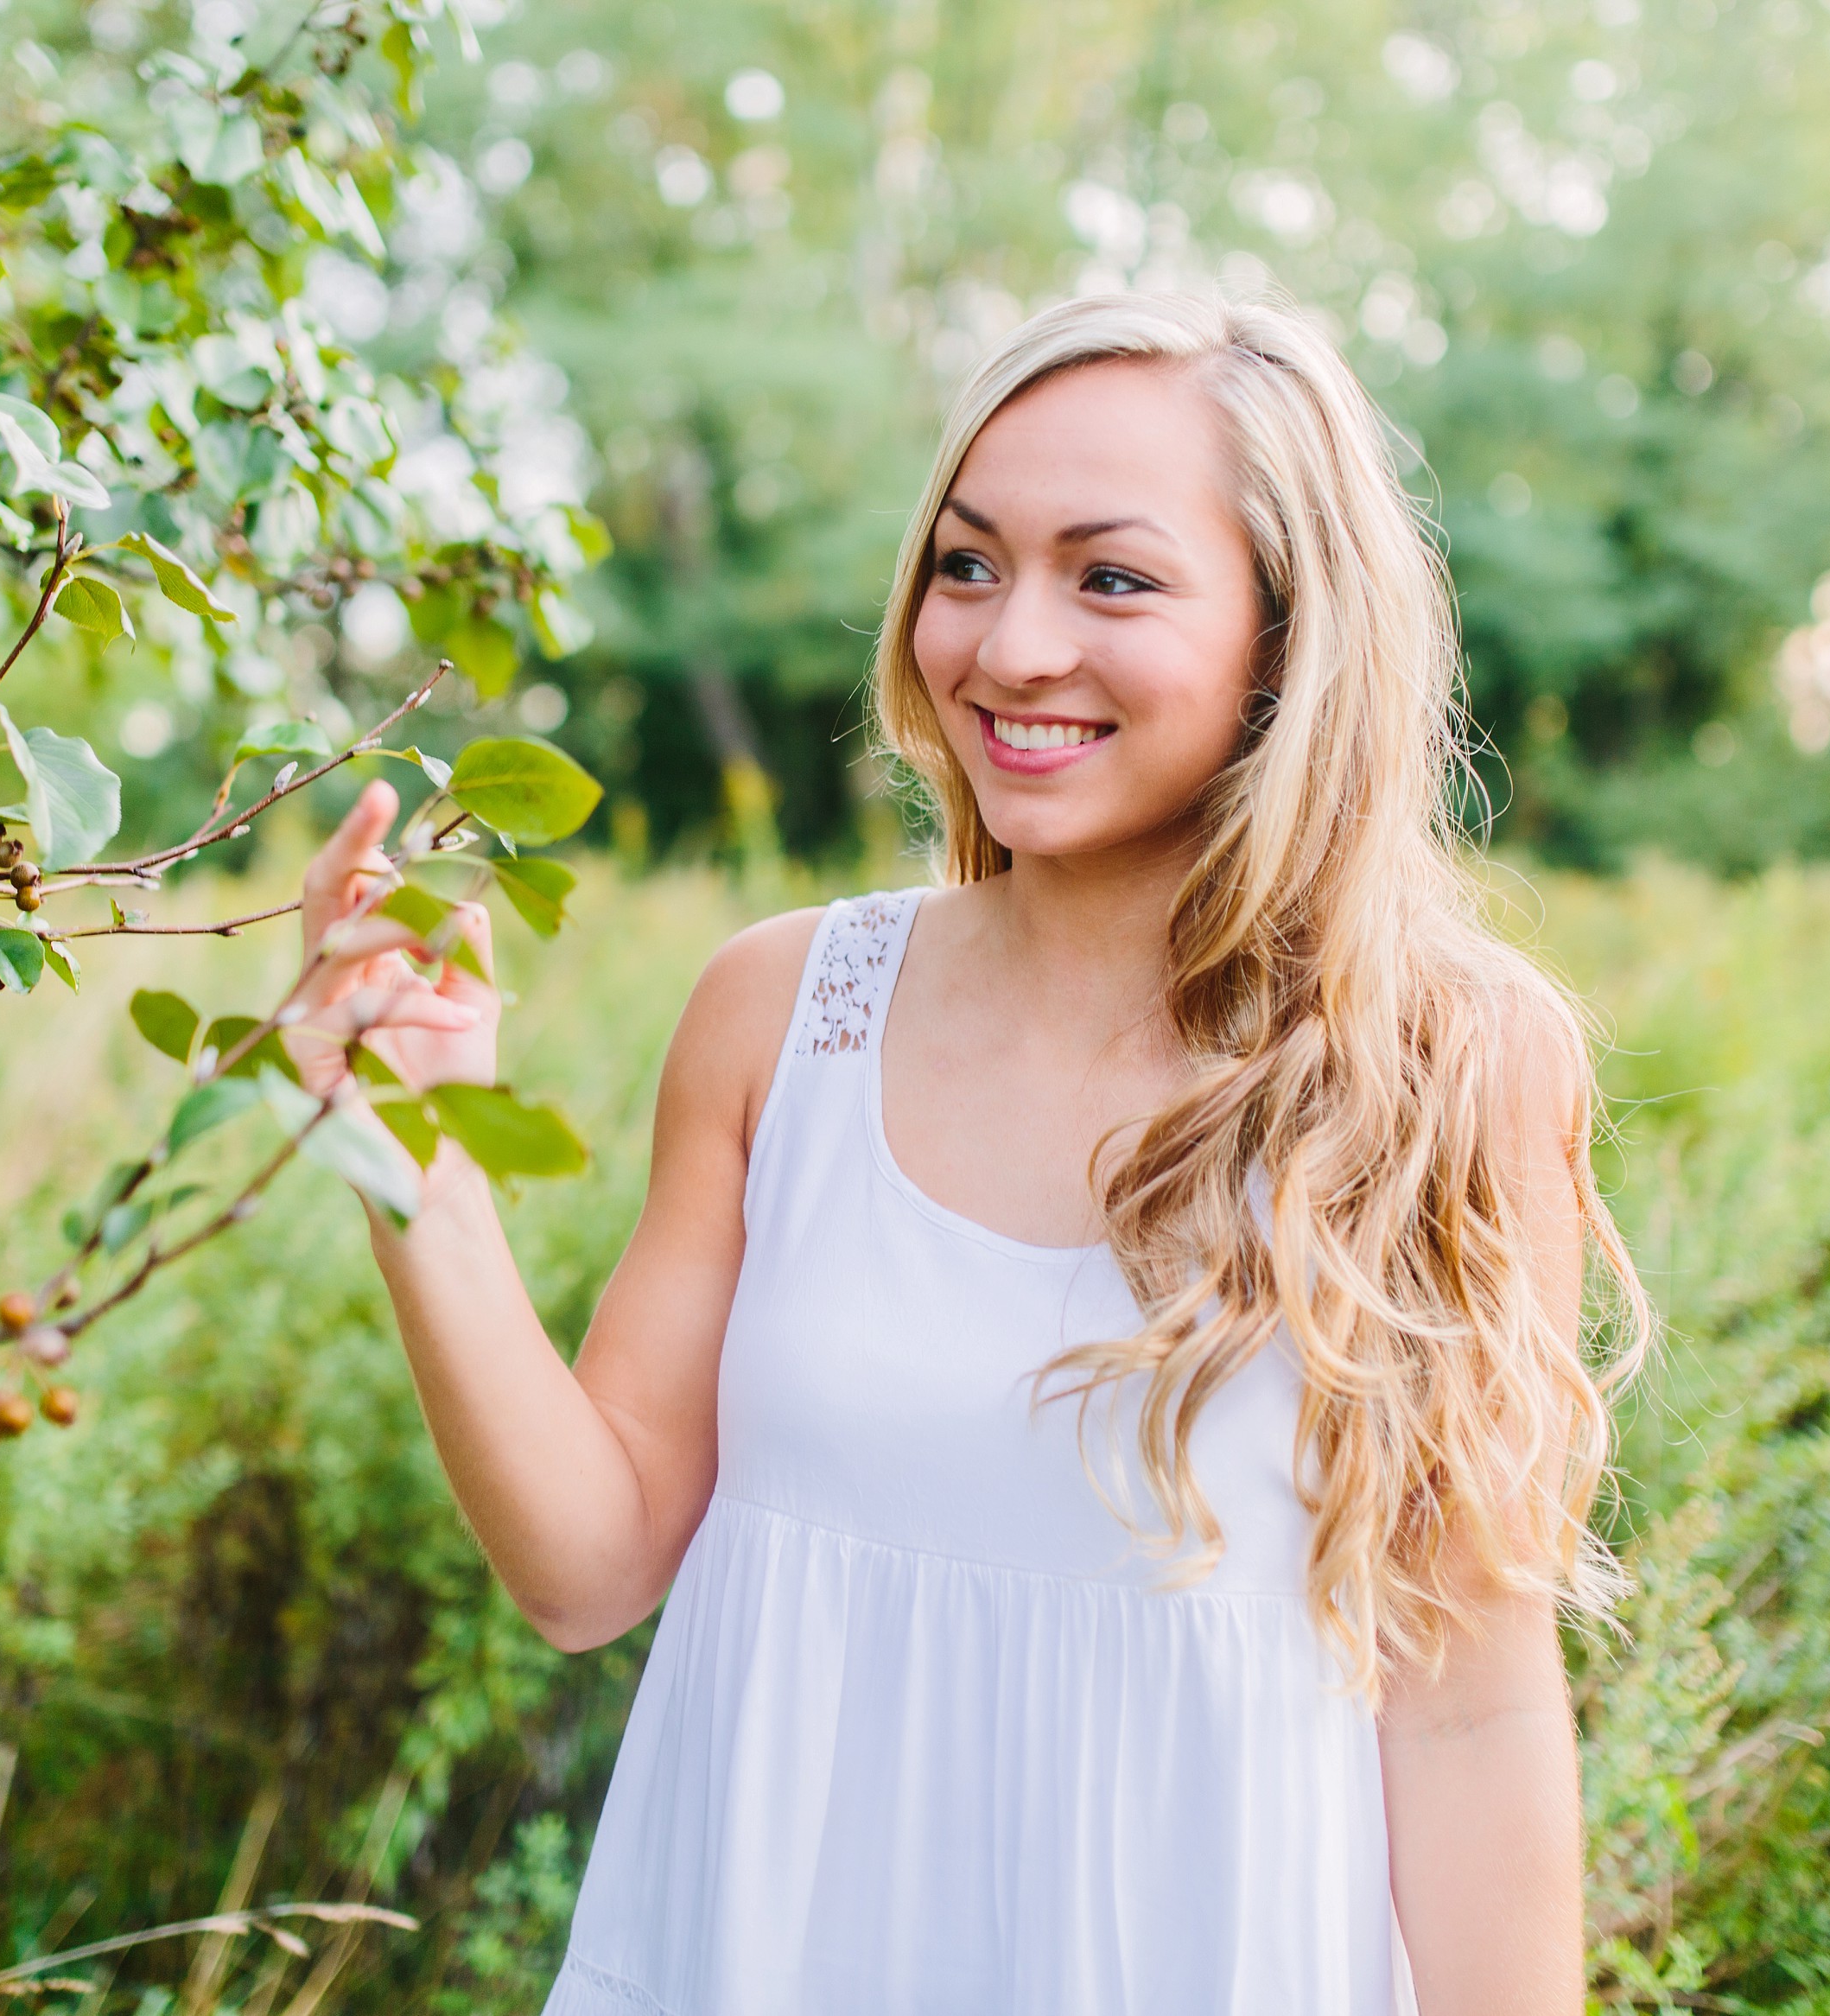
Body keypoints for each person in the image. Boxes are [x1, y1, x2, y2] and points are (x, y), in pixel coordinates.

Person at [282, 290, 1649, 2015]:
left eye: (1116, 577)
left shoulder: (1442, 1064)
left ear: (1290, 642)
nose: (1008, 651)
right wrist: (416, 1159)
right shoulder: (784, 1010)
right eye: (967, 563)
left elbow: (1467, 1700)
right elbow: (586, 1563)